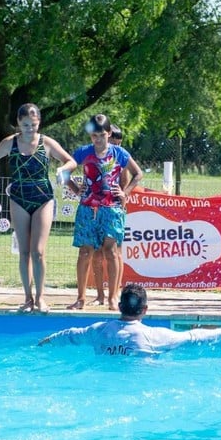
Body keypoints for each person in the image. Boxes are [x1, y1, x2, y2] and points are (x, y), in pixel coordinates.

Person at [0, 103, 76, 313]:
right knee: (24, 252)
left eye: (33, 124)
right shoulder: (10, 143)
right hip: (18, 198)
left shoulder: (47, 143)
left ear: (39, 123)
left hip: (43, 198)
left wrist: (62, 168)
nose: (30, 129)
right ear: (18, 123)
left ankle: (40, 297)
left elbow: (70, 161)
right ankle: (27, 298)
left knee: (38, 252)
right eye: (25, 124)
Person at [64, 114, 143, 310]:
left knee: (111, 252)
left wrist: (124, 192)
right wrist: (75, 188)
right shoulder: (83, 152)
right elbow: (64, 172)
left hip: (112, 208)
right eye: (94, 136)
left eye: (101, 135)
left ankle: (112, 298)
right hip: (88, 208)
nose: (98, 140)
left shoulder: (119, 153)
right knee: (85, 252)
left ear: (108, 134)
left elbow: (138, 173)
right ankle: (81, 298)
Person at [38, 284, 221, 355]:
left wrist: (45, 342)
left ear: (119, 306)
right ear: (145, 310)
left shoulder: (98, 330)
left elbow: (70, 334)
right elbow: (193, 336)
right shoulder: (156, 336)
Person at [88, 123, 127, 306]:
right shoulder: (94, 156)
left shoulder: (120, 158)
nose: (117, 147)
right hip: (96, 207)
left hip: (114, 208)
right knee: (97, 253)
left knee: (115, 253)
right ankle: (99, 295)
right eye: (115, 143)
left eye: (119, 144)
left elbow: (126, 184)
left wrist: (123, 196)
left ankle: (115, 291)